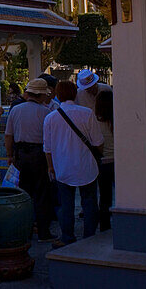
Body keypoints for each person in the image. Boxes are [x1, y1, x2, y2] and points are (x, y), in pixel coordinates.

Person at [44, 80, 103, 247]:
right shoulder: (87, 113)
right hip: (86, 165)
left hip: (63, 166)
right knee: (90, 201)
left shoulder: (51, 117)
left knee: (66, 204)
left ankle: (67, 236)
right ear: (75, 93)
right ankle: (90, 236)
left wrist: (50, 167)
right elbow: (98, 142)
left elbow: (47, 148)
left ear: (57, 95)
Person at [4, 78, 56, 240]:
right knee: (42, 194)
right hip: (39, 155)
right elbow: (50, 140)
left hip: (21, 154)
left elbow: (8, 135)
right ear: (41, 95)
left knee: (24, 194)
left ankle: (24, 229)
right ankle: (43, 231)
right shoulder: (46, 113)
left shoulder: (16, 110)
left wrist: (10, 155)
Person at [95, 90, 115, 232]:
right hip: (120, 162)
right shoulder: (120, 120)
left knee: (104, 197)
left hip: (103, 163)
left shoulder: (95, 122)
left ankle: (104, 225)